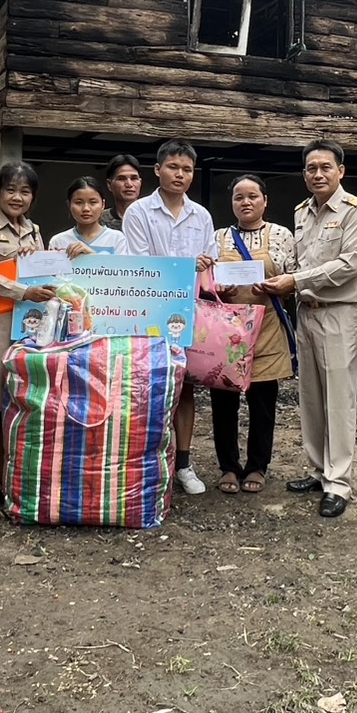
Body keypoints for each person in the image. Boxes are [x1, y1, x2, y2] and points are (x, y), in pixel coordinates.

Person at [262, 139, 357, 518]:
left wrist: (293, 281)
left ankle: (339, 482)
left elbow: (349, 265)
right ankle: (318, 470)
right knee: (311, 395)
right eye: (311, 168)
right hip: (306, 312)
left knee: (339, 399)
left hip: (340, 313)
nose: (318, 174)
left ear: (340, 171)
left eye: (326, 167)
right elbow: (294, 259)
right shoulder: (301, 212)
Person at [122, 139, 218, 495]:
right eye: (174, 167)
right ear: (158, 170)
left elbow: (210, 260)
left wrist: (205, 264)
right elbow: (139, 263)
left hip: (189, 312)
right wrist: (186, 266)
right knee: (149, 387)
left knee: (186, 387)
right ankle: (147, 463)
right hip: (149, 313)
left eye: (187, 169)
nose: (180, 175)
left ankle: (183, 463)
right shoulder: (139, 213)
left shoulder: (202, 215)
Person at [0, 161, 56, 505]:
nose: (17, 197)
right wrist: (24, 291)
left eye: (25, 191)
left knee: (18, 401)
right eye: (11, 189)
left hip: (29, 329)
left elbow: (43, 271)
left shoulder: (33, 229)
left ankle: (11, 472)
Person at [211, 174, 297, 495]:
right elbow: (208, 283)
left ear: (265, 201)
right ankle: (228, 467)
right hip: (227, 331)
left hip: (267, 327)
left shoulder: (282, 235)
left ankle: (258, 466)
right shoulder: (218, 237)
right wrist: (220, 288)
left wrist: (279, 286)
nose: (245, 202)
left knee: (262, 402)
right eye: (238, 197)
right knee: (224, 401)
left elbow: (293, 278)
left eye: (252, 196)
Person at [49, 176, 132, 256]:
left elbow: (121, 269)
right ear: (69, 205)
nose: (86, 208)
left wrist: (91, 255)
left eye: (93, 202)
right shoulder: (58, 241)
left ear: (103, 204)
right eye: (79, 202)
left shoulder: (117, 239)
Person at [99, 154, 144, 230]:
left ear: (140, 182)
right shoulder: (99, 220)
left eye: (134, 178)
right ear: (109, 184)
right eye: (121, 179)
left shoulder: (152, 217)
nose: (129, 184)